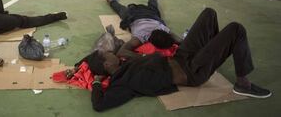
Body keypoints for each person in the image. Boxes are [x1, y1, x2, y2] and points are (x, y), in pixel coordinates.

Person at [89, 7, 272, 112]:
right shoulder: (121, 83)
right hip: (191, 71)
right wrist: (97, 83)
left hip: (181, 56)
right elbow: (99, 105)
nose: (110, 52)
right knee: (236, 29)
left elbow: (121, 51)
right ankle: (243, 83)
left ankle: (213, 53)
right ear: (107, 65)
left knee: (209, 14)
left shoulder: (124, 62)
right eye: (107, 54)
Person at [103, 0, 178, 53]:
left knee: (153, 6)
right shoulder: (140, 37)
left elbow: (179, 40)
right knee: (121, 10)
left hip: (151, 15)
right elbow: (121, 52)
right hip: (135, 15)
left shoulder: (164, 30)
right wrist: (143, 58)